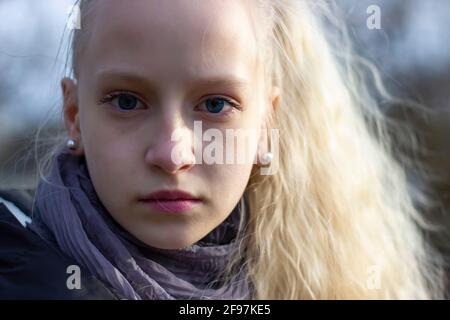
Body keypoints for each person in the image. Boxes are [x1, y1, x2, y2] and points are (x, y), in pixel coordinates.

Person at [0, 0, 446, 299]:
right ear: (75, 115)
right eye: (127, 101)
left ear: (266, 125)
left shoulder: (312, 281)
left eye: (215, 104)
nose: (173, 154)